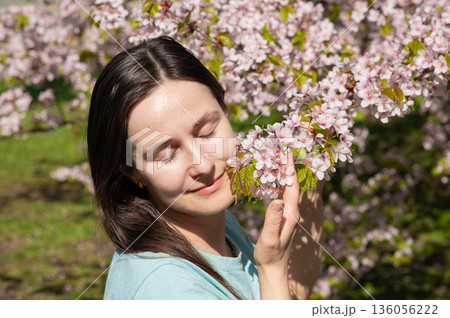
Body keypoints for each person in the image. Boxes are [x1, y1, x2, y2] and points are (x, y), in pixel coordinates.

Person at [87, 36, 324, 300]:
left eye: (207, 133)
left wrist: (310, 172)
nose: (204, 164)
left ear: (224, 108)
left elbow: (291, 296)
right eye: (167, 154)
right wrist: (271, 269)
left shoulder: (210, 224)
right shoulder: (168, 291)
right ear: (131, 171)